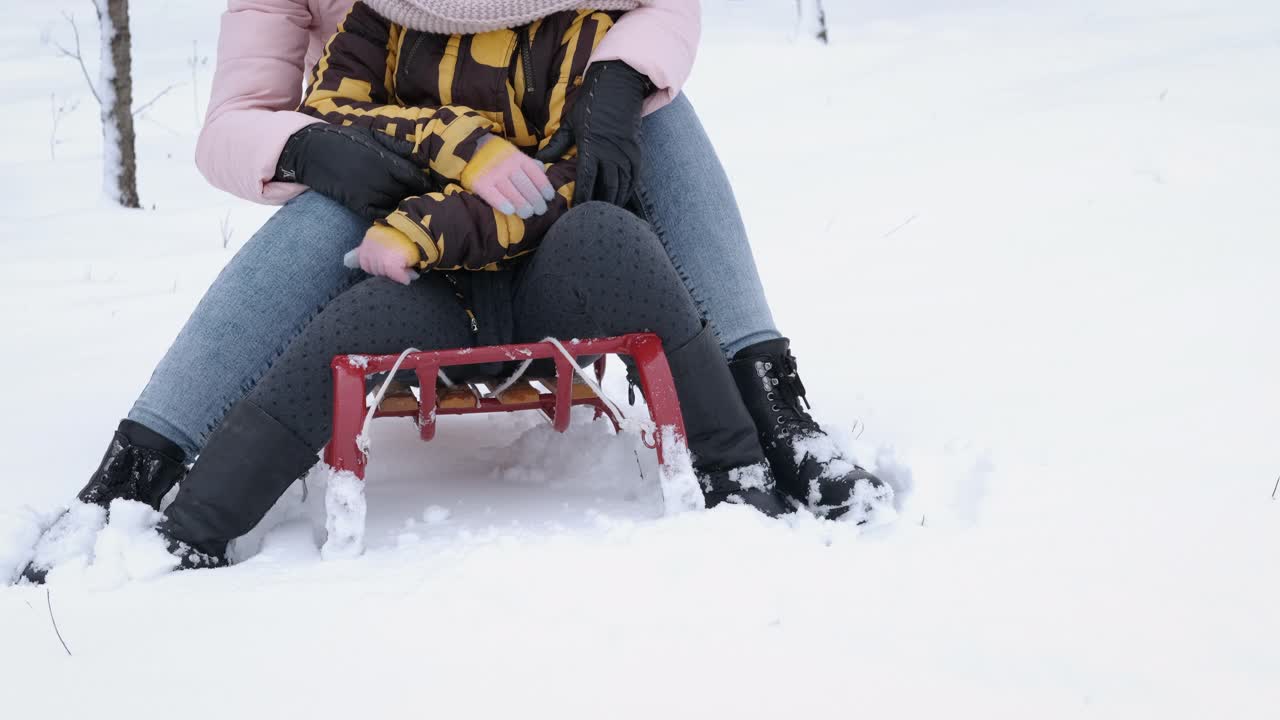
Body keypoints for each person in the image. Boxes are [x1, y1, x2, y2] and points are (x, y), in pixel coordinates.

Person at [19, 0, 890, 582]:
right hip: (398, 206)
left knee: (661, 116)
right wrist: (315, 149)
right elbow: (236, 121)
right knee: (324, 207)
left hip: (564, 196)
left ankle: (775, 409)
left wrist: (616, 83)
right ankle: (139, 468)